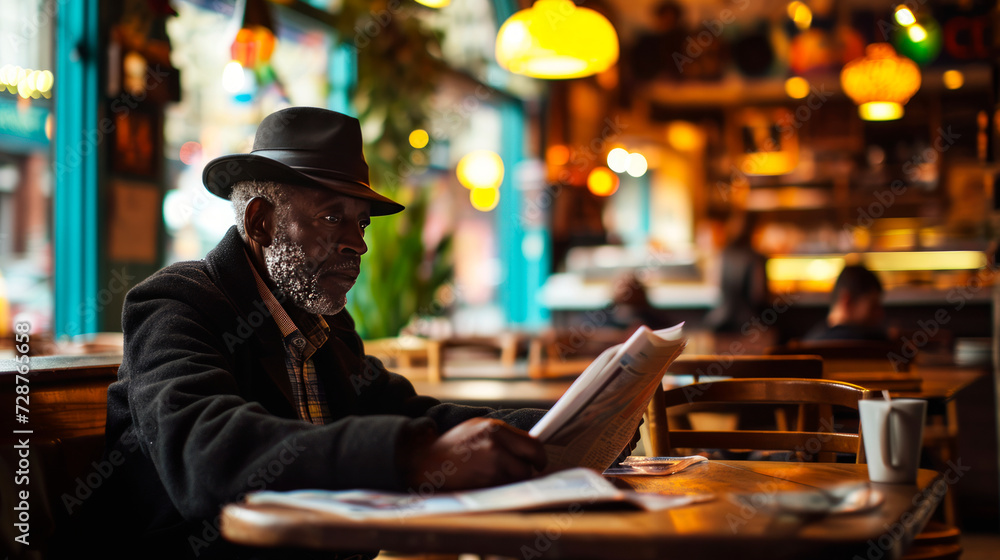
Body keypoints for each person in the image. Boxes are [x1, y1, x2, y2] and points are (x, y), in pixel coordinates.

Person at [92, 107, 551, 559]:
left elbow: (404, 412)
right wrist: (411, 457)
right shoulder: (176, 304)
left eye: (362, 222)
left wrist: (551, 430)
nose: (359, 243)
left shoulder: (324, 321)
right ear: (260, 222)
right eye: (333, 218)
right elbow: (207, 455)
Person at [803, 264, 888, 341]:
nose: (880, 313)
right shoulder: (871, 342)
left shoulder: (810, 342)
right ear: (847, 301)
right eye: (873, 306)